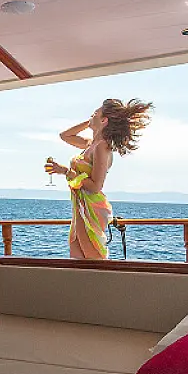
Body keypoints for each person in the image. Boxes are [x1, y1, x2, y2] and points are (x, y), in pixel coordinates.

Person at [45, 98, 153, 259]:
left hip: (91, 208)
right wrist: (90, 122)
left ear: (104, 120)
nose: (91, 115)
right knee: (77, 259)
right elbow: (65, 135)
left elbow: (96, 186)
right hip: (80, 206)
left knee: (93, 259)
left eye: (95, 113)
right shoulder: (90, 144)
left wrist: (65, 171)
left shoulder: (102, 147)